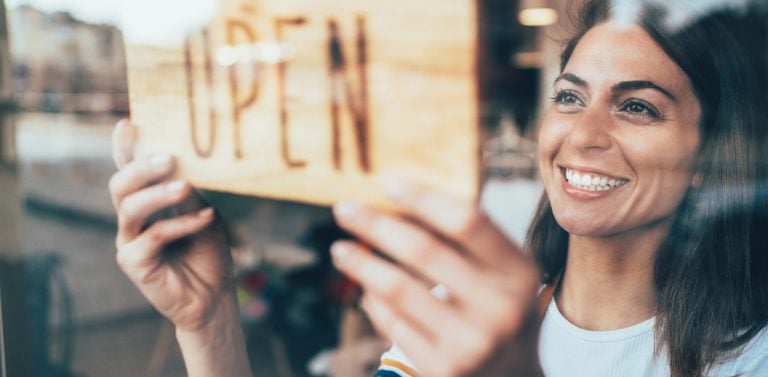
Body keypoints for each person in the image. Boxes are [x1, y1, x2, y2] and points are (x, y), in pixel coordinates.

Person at [108, 0, 768, 376]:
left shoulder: (747, 359)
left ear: (712, 151)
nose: (583, 135)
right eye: (570, 97)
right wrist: (209, 321)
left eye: (637, 107)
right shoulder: (458, 314)